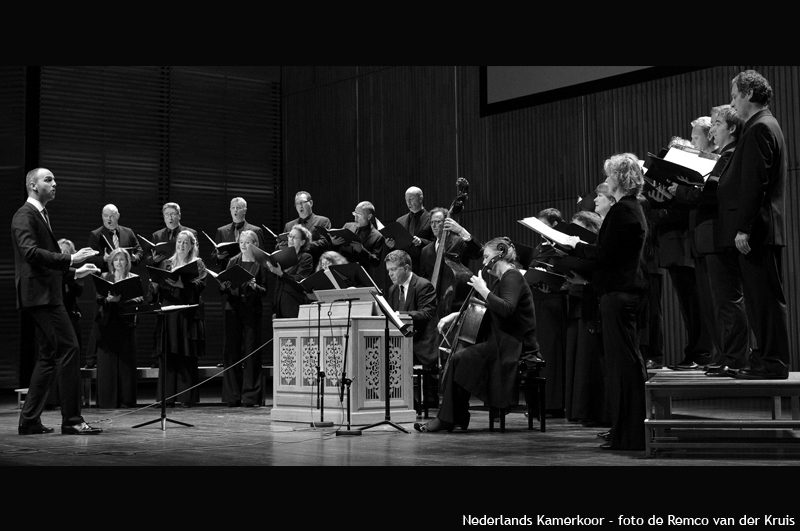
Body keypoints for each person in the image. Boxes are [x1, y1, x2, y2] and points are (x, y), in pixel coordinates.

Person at [564, 153, 648, 451]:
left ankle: (631, 435)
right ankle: (624, 431)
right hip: (620, 293)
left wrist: (576, 246)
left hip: (620, 294)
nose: (607, 180)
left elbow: (606, 255)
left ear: (621, 178)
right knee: (621, 366)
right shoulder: (629, 208)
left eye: (610, 175)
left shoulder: (624, 210)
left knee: (623, 367)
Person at [414, 237, 539, 433]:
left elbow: (506, 309)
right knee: (459, 360)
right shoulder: (502, 279)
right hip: (501, 342)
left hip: (513, 346)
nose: (484, 262)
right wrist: (456, 314)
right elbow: (489, 309)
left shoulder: (512, 277)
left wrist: (483, 290)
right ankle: (456, 416)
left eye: (487, 257)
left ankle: (450, 418)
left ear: (498, 256)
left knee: (459, 359)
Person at [12, 167, 102, 435]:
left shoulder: (40, 214)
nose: (54, 184)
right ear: (33, 185)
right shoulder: (24, 215)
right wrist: (70, 258)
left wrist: (75, 271)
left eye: (54, 180)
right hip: (41, 296)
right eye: (48, 180)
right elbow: (30, 253)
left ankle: (29, 420)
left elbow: (44, 262)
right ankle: (72, 420)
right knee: (70, 348)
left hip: (43, 293)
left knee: (49, 356)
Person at [717, 70, 789, 380]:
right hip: (759, 229)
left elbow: (755, 183)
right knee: (760, 300)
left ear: (748, 94)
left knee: (765, 300)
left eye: (735, 96)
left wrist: (744, 227)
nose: (733, 103)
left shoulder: (760, 127)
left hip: (758, 230)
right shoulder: (761, 125)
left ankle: (773, 362)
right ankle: (765, 359)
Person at [669, 105, 750, 377]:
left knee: (728, 300)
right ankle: (725, 354)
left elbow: (713, 194)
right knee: (714, 303)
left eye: (716, 124)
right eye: (712, 124)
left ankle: (736, 358)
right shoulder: (723, 156)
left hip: (717, 236)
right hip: (706, 238)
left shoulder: (729, 155)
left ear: (732, 128)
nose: (712, 130)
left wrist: (681, 190)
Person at [149, 230, 208, 407]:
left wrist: (184, 285)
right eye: (179, 242)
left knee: (186, 355)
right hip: (169, 314)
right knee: (168, 355)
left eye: (185, 242)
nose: (181, 245)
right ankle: (167, 398)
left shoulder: (198, 264)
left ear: (191, 246)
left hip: (187, 314)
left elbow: (201, 285)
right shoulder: (166, 263)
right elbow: (155, 290)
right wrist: (154, 286)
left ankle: (186, 398)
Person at [85, 203, 144, 369]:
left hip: (124, 277)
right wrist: (103, 260)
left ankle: (123, 356)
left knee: (124, 315)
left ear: (117, 216)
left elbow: (139, 252)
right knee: (101, 318)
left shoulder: (128, 232)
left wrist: (132, 258)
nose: (108, 219)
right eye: (105, 216)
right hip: (106, 279)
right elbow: (90, 259)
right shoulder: (96, 234)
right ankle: (92, 358)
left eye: (111, 216)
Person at [219, 230, 269, 407]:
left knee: (251, 352)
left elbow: (265, 291)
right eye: (241, 242)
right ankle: (233, 395)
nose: (243, 245)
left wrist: (255, 287)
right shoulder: (233, 261)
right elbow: (223, 287)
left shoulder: (261, 263)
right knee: (231, 352)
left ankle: (251, 396)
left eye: (247, 242)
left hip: (251, 311)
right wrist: (224, 286)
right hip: (233, 309)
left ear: (254, 244)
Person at [95, 248, 142, 408]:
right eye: (116, 259)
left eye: (122, 259)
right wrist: (108, 300)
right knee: (107, 363)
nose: (119, 263)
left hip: (126, 323)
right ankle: (107, 401)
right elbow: (98, 298)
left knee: (126, 363)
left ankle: (126, 400)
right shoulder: (104, 277)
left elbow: (139, 299)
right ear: (111, 262)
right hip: (108, 323)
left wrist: (121, 300)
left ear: (127, 262)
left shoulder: (133, 278)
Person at [384, 250, 436, 366]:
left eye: (393, 269)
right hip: (398, 345)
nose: (390, 274)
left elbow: (426, 314)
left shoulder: (423, 285)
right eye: (388, 270)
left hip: (419, 346)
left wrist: (400, 314)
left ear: (406, 268)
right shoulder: (393, 289)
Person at [329, 201, 386, 292]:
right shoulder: (347, 226)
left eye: (359, 215)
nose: (355, 217)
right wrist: (334, 244)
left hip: (360, 279)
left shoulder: (377, 236)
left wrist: (362, 251)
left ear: (369, 217)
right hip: (341, 274)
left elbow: (376, 262)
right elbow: (335, 251)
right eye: (355, 213)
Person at [268, 224, 314, 319]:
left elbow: (300, 280)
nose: (291, 239)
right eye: (290, 236)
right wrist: (275, 309)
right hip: (280, 307)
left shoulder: (305, 257)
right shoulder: (283, 257)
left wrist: (281, 274)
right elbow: (278, 286)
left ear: (302, 242)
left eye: (295, 237)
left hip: (294, 305)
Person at [386, 186, 434, 275]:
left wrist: (421, 241)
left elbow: (437, 243)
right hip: (404, 269)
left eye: (411, 199)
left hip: (424, 268)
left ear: (420, 199)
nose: (408, 202)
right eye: (406, 200)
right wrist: (391, 246)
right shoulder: (400, 221)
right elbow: (397, 247)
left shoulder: (432, 219)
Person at [276, 191, 332, 266]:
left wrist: (301, 245)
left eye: (302, 202)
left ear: (311, 203)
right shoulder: (289, 225)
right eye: (297, 203)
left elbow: (324, 243)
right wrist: (280, 246)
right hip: (294, 268)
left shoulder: (323, 221)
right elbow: (280, 247)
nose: (300, 206)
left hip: (315, 265)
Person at [212, 197, 266, 269]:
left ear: (245, 211)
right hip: (228, 271)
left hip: (249, 270)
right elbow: (214, 258)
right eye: (233, 207)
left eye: (238, 208)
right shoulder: (221, 231)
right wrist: (218, 257)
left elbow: (262, 257)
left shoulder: (256, 231)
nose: (235, 210)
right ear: (230, 210)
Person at [147, 202, 197, 267]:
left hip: (183, 269)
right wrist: (154, 260)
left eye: (172, 214)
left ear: (179, 216)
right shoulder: (156, 235)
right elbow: (149, 258)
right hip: (163, 270)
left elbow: (195, 255)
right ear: (164, 217)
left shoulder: (191, 233)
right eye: (167, 214)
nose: (170, 218)